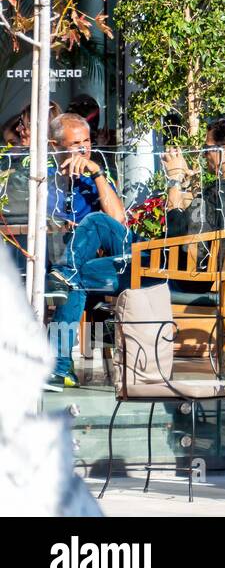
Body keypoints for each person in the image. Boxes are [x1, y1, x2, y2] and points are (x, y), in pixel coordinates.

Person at [44, 112, 130, 391]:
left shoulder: (97, 175)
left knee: (94, 222)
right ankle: (58, 369)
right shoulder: (44, 180)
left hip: (114, 259)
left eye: (87, 142)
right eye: (76, 144)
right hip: (75, 267)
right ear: (55, 147)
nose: (84, 149)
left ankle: (57, 366)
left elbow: (118, 222)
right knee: (73, 282)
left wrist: (97, 175)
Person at [162, 116, 225, 236]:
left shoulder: (216, 194)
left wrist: (174, 179)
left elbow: (176, 232)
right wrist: (184, 183)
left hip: (207, 255)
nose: (204, 155)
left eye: (206, 149)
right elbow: (192, 220)